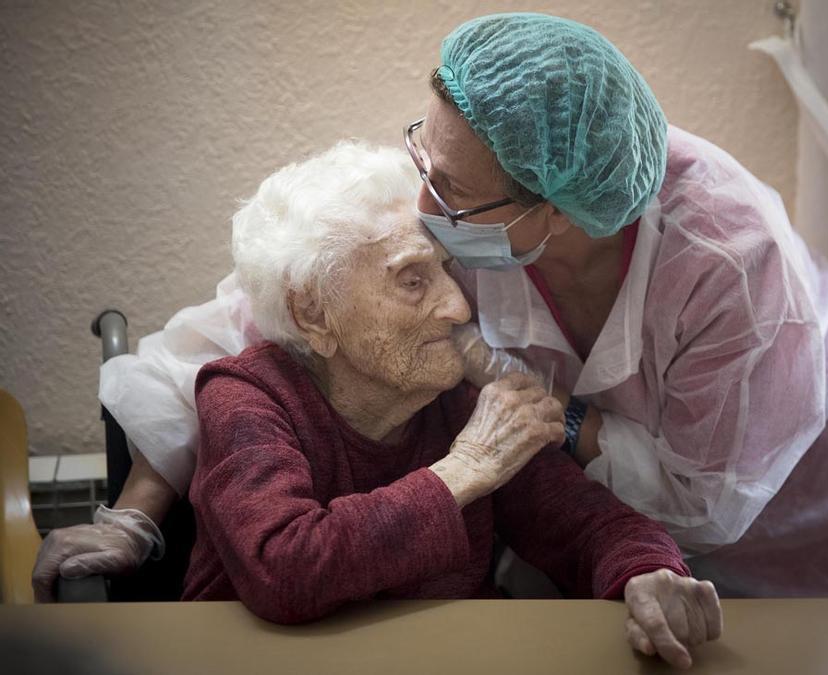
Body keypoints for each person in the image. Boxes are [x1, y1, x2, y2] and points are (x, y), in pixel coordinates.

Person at [34, 12, 828, 672]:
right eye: (422, 167)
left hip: (804, 526)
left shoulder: (729, 268)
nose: (425, 219)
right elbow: (224, 349)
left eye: (451, 204)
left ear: (556, 214)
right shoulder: (419, 265)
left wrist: (642, 563)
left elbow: (658, 509)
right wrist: (136, 513)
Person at [194, 140, 722, 665]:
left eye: (446, 270)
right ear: (312, 313)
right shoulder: (248, 397)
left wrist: (649, 574)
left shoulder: (453, 403)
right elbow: (284, 569)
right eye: (412, 280)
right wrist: (467, 468)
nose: (456, 304)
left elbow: (588, 524)